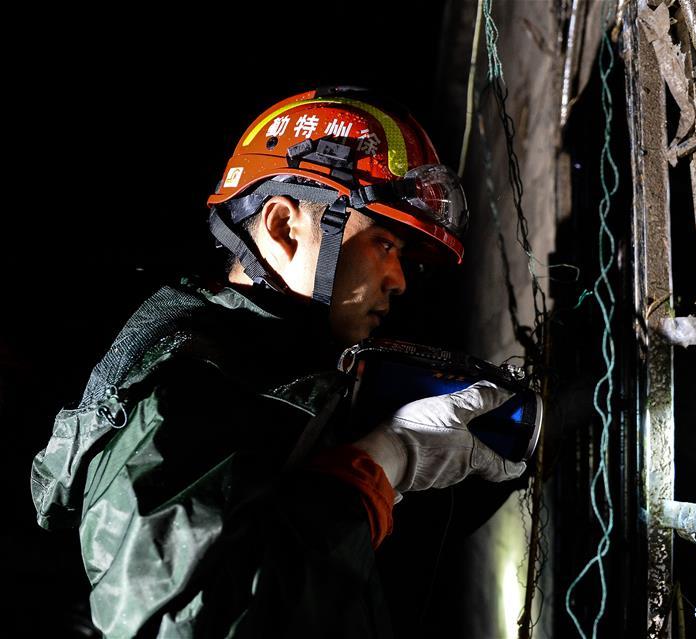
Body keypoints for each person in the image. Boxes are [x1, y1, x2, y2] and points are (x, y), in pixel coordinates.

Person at [31, 87, 527, 638]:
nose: (400, 279)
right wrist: (381, 464)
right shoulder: (172, 399)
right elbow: (192, 624)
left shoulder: (274, 377)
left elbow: (331, 575)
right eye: (383, 243)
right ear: (284, 227)